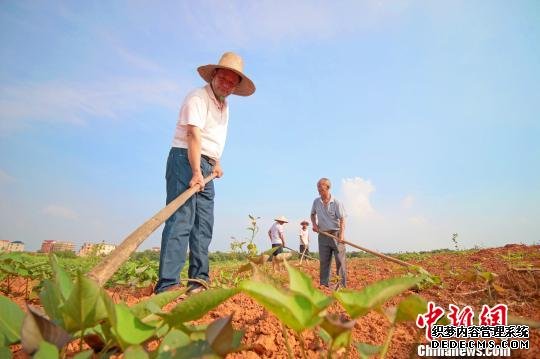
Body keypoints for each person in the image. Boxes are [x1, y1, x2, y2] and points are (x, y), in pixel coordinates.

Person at [154, 52, 255, 294]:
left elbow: (213, 139)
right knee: (181, 220)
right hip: (185, 159)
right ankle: (168, 284)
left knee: (203, 225)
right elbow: (193, 135)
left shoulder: (225, 105)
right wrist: (197, 170)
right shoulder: (197, 97)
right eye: (224, 79)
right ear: (214, 75)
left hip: (208, 165)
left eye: (232, 82)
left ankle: (198, 281)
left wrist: (215, 163)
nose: (227, 85)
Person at [310, 178, 347, 288]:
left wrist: (342, 235)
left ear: (328, 188)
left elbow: (342, 219)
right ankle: (325, 286)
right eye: (318, 187)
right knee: (324, 262)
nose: (319, 189)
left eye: (321, 187)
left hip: (336, 234)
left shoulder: (336, 202)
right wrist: (314, 225)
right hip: (323, 235)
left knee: (340, 261)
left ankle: (341, 287)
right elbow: (312, 214)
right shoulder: (316, 202)